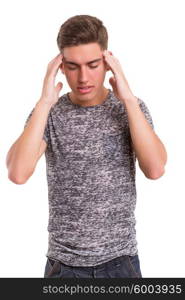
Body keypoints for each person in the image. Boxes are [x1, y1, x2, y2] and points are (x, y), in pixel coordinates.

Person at [6, 15, 167, 278]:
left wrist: (127, 98)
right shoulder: (48, 113)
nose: (83, 77)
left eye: (93, 65)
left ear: (107, 62)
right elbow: (17, 173)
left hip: (120, 263)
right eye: (72, 66)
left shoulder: (130, 109)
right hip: (63, 266)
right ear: (60, 67)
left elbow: (156, 168)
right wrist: (44, 102)